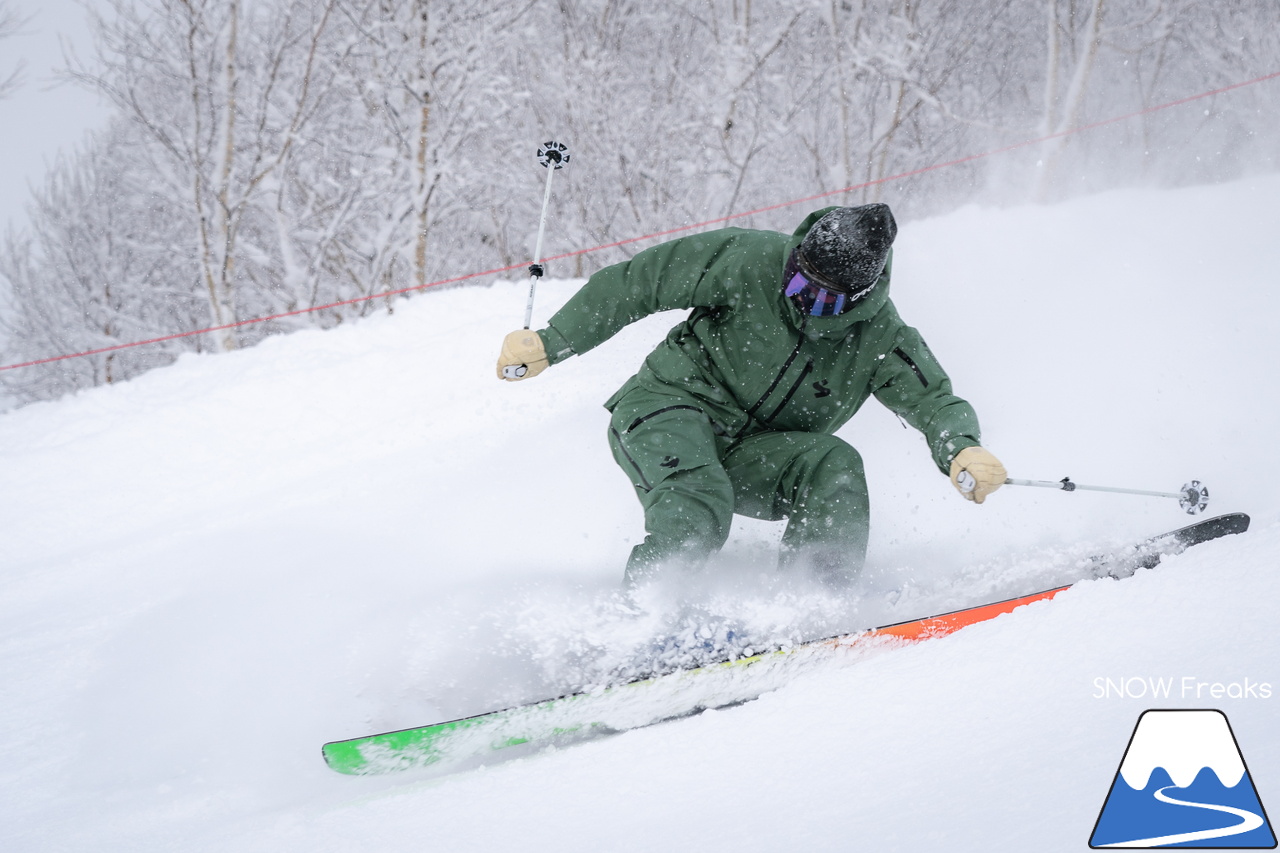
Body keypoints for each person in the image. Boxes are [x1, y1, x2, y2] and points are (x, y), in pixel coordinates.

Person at [496, 203, 1006, 587]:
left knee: (835, 464)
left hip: (753, 452)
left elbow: (932, 399)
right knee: (698, 497)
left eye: (821, 296)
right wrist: (552, 341)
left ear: (857, 298)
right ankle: (644, 617)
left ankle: (815, 600)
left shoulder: (879, 337)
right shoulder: (748, 259)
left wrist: (961, 446)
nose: (800, 298)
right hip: (668, 406)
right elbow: (640, 281)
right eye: (797, 282)